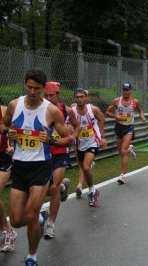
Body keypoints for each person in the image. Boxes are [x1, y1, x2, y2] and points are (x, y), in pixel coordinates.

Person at [0, 68, 73, 266]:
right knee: (15, 220)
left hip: (41, 166)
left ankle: (31, 256)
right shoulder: (14, 105)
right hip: (20, 166)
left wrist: (50, 140)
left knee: (30, 215)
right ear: (24, 84)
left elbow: (68, 139)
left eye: (37, 89)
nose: (32, 92)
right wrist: (7, 132)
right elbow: (2, 124)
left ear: (43, 88)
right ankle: (41, 217)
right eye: (29, 87)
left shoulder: (51, 110)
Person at [42, 82, 81, 239]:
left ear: (58, 95)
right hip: (44, 152)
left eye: (52, 95)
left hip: (61, 152)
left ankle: (51, 225)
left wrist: (72, 137)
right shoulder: (41, 109)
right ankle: (63, 189)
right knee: (46, 189)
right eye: (46, 95)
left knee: (53, 188)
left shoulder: (67, 110)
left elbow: (77, 126)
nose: (49, 98)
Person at [72, 88, 107, 206]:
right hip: (79, 143)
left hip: (93, 141)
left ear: (86, 98)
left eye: (82, 96)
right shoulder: (71, 110)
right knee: (83, 168)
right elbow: (65, 122)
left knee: (86, 168)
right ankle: (90, 185)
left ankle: (92, 192)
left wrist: (102, 137)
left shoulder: (93, 109)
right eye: (77, 97)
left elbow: (101, 119)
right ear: (74, 98)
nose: (80, 99)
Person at [105, 83, 146, 184]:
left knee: (123, 151)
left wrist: (142, 116)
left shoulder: (135, 102)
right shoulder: (116, 101)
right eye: (124, 90)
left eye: (127, 90)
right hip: (118, 128)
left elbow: (140, 111)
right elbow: (107, 113)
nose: (125, 92)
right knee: (121, 152)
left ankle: (122, 175)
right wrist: (116, 117)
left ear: (131, 91)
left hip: (129, 128)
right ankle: (130, 149)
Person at [0, 105, 16, 252]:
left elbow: (16, 129)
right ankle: (7, 230)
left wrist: (13, 146)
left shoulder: (4, 110)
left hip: (3, 157)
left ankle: (5, 233)